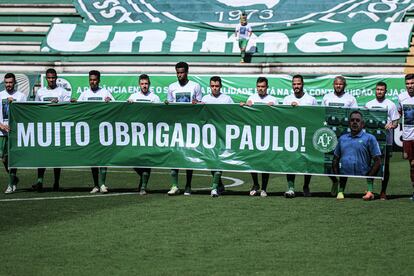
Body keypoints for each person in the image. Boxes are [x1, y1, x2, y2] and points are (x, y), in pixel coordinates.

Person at [74, 70, 114, 194]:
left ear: (99, 80)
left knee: (103, 158)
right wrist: (74, 103)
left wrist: (109, 101)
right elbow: (78, 108)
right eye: (91, 79)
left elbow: (115, 107)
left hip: (103, 130)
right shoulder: (84, 94)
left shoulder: (105, 92)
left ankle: (102, 184)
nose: (93, 82)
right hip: (90, 130)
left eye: (95, 79)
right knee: (93, 158)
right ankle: (96, 184)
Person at [166, 62, 202, 196]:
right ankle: (174, 185)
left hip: (190, 126)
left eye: (181, 72)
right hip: (176, 126)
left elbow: (201, 105)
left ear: (187, 72)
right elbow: (169, 106)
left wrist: (196, 103)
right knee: (174, 155)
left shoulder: (195, 86)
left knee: (188, 156)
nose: (179, 75)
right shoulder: (171, 87)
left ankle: (188, 185)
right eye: (177, 72)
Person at [32, 68, 70, 192]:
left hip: (58, 128)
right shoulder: (40, 92)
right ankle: (39, 181)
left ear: (56, 78)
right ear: (46, 78)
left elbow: (67, 109)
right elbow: (35, 109)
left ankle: (56, 182)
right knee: (42, 156)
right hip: (44, 128)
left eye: (53, 77)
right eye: (49, 78)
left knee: (56, 157)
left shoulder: (62, 92)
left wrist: (58, 104)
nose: (51, 80)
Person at [322, 76, 358, 197]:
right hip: (329, 135)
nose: (338, 86)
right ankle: (334, 181)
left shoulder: (351, 99)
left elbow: (356, 117)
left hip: (345, 136)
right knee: (327, 163)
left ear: (345, 85)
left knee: (344, 163)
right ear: (333, 85)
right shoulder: (326, 97)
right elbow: (321, 113)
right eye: (336, 84)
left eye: (341, 84)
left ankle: (341, 190)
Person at [332, 111, 382, 200]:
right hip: (345, 172)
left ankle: (370, 191)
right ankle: (340, 191)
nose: (354, 122)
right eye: (352, 120)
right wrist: (336, 175)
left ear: (362, 124)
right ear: (349, 123)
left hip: (364, 171)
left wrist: (370, 176)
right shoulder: (342, 138)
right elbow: (336, 158)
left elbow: (377, 161)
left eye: (357, 120)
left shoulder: (370, 138)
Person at [282, 75, 318, 198]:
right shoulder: (287, 99)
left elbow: (315, 116)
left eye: (298, 84)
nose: (296, 86)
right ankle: (291, 188)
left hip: (307, 136)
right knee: (291, 162)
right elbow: (282, 116)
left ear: (303, 84)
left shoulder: (311, 99)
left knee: (307, 162)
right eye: (294, 84)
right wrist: (290, 110)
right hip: (291, 136)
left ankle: (306, 186)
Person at [242, 77, 278, 197]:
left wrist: (273, 108)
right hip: (253, 133)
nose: (260, 89)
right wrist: (245, 106)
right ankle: (255, 184)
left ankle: (264, 188)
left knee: (265, 161)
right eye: (258, 86)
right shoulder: (252, 98)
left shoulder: (273, 99)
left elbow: (278, 116)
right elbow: (246, 115)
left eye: (263, 86)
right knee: (253, 160)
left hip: (267, 134)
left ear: (267, 87)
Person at [365, 81, 399, 200]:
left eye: (381, 90)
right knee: (370, 165)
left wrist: (391, 125)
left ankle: (383, 191)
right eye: (377, 89)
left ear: (386, 91)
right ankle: (370, 190)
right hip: (371, 141)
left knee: (385, 167)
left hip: (386, 141)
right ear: (375, 90)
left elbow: (395, 122)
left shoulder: (391, 104)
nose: (379, 91)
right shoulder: (369, 104)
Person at [201, 76, 233, 197]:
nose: (215, 88)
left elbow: (232, 114)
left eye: (217, 86)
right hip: (208, 136)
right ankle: (219, 184)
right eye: (213, 86)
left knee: (219, 160)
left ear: (221, 86)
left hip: (222, 134)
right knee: (211, 161)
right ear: (210, 86)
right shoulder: (205, 98)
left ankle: (214, 187)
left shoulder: (227, 99)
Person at [128, 74, 160, 195]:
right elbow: (127, 112)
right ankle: (143, 178)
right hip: (136, 133)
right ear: (139, 84)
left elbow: (159, 113)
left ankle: (143, 186)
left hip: (149, 133)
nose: (144, 86)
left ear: (149, 84)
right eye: (142, 84)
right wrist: (129, 105)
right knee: (132, 159)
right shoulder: (133, 97)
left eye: (146, 83)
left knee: (147, 160)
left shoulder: (154, 97)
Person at [1, 73, 27, 194]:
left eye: (11, 82)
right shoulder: (0, 95)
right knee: (4, 158)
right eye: (6, 82)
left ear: (14, 83)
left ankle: (11, 184)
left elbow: (24, 115)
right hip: (2, 132)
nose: (8, 85)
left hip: (15, 133)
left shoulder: (21, 96)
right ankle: (15, 179)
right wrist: (1, 125)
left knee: (12, 159)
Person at [398, 74, 414, 201]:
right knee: (412, 164)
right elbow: (399, 114)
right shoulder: (401, 97)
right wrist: (392, 123)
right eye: (407, 83)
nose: (410, 86)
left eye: (412, 83)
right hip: (407, 136)